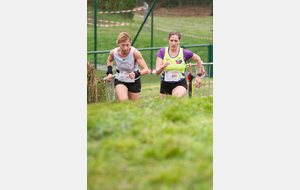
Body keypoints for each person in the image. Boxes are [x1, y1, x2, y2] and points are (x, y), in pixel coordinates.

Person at [155, 30, 203, 98]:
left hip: (179, 84)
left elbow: (198, 59)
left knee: (176, 98)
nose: (173, 43)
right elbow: (157, 72)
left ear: (179, 41)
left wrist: (198, 75)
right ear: (168, 40)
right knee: (166, 106)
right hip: (165, 85)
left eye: (176, 41)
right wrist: (162, 67)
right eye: (171, 40)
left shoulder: (184, 53)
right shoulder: (162, 52)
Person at [106, 32, 149, 102]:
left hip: (134, 81)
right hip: (120, 79)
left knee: (133, 105)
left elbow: (146, 69)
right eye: (123, 45)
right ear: (118, 44)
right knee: (123, 101)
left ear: (130, 44)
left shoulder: (135, 53)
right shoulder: (113, 53)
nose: (125, 48)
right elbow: (109, 60)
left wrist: (136, 74)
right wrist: (109, 73)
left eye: (127, 45)